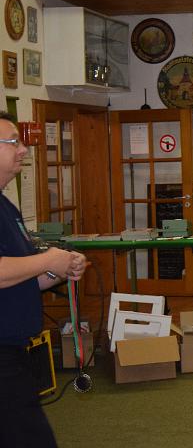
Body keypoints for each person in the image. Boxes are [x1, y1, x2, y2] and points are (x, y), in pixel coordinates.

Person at [0, 112, 88, 447]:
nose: (23, 149)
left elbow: (19, 277)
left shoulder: (6, 207)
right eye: (13, 142)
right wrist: (48, 259)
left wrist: (56, 271)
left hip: (14, 350)